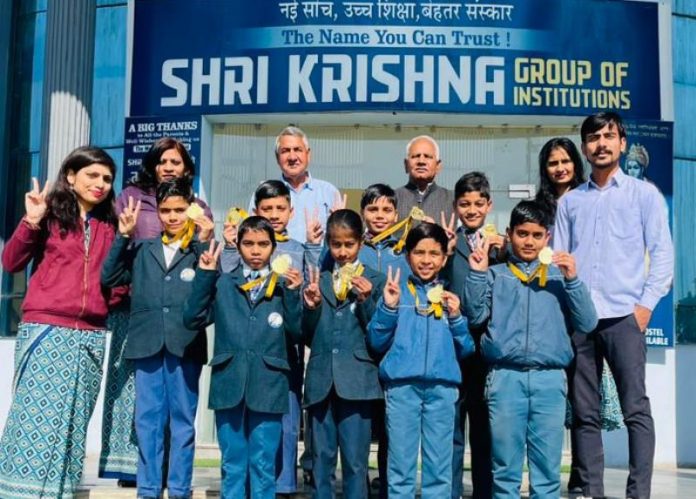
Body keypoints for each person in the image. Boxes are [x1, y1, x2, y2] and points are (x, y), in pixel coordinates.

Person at [554, 112, 674, 499]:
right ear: (585, 147)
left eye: (609, 136)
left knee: (635, 409)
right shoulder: (571, 202)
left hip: (625, 318)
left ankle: (638, 493)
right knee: (584, 413)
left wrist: (645, 308)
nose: (601, 143)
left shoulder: (645, 195)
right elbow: (559, 260)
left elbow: (663, 256)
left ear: (622, 143)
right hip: (581, 321)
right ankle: (592, 491)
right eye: (593, 137)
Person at [0, 147, 123, 498]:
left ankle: (61, 493)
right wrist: (31, 222)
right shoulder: (49, 216)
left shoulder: (110, 226)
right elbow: (11, 263)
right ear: (71, 175)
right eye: (92, 175)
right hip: (47, 330)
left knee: (71, 424)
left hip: (91, 336)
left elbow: (116, 284)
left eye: (107, 178)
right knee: (34, 420)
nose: (100, 184)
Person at [465, 200, 598, 498]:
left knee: (547, 471)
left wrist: (573, 280)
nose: (529, 241)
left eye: (537, 235)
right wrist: (476, 273)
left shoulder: (559, 278)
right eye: (522, 233)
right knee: (505, 469)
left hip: (549, 380)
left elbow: (588, 322)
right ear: (510, 234)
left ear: (547, 238)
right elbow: (474, 316)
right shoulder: (496, 275)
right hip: (504, 378)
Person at [99, 137, 212, 486]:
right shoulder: (143, 248)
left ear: (192, 211)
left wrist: (206, 245)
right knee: (147, 419)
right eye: (166, 211)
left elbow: (210, 296)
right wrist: (122, 236)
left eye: (180, 210)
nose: (173, 216)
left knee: (182, 420)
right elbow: (109, 277)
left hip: (184, 343)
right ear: (157, 213)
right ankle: (148, 489)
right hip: (145, 343)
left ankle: (178, 488)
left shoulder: (199, 252)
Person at [184, 217, 303, 498]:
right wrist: (204, 275)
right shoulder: (224, 283)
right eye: (248, 243)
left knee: (263, 464)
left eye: (263, 244)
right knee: (232, 463)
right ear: (236, 246)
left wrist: (294, 294)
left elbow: (297, 332)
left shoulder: (283, 285)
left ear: (274, 248)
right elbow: (193, 318)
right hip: (230, 381)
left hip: (269, 384)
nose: (255, 250)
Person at [221, 180, 320, 497]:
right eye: (267, 209)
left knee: (282, 429)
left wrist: (314, 252)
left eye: (280, 208)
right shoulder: (243, 249)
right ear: (255, 212)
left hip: (280, 357)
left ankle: (284, 486)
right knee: (237, 451)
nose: (275, 214)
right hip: (240, 359)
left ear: (291, 212)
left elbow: (305, 307)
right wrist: (225, 249)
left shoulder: (300, 250)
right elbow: (223, 289)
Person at [367, 222, 475, 499]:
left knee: (438, 467)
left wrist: (457, 318)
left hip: (442, 389)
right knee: (400, 466)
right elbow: (377, 341)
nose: (426, 260)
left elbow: (466, 349)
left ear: (444, 257)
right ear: (407, 256)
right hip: (402, 389)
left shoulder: (452, 294)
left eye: (434, 254)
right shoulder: (396, 291)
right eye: (419, 253)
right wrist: (388, 308)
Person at [301, 209, 385, 499]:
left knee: (355, 462)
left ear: (360, 243)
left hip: (358, 383)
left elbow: (380, 332)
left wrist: (366, 301)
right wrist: (310, 307)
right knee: (321, 461)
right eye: (336, 244)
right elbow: (306, 334)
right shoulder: (318, 279)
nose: (342, 251)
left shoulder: (376, 279)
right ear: (327, 243)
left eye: (349, 244)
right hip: (322, 381)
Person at [445, 171, 506, 499]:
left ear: (488, 204)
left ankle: (484, 492)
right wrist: (444, 254)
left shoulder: (500, 246)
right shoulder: (448, 243)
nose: (471, 209)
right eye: (464, 204)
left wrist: (505, 251)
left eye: (477, 203)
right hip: (454, 346)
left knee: (483, 429)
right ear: (456, 206)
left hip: (486, 348)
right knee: (452, 428)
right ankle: (451, 492)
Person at [356, 183, 410, 498]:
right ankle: (358, 485)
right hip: (357, 349)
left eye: (386, 209)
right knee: (361, 427)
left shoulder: (403, 250)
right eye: (373, 209)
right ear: (363, 212)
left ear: (396, 213)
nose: (379, 215)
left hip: (394, 349)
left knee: (392, 427)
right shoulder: (354, 248)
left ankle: (390, 485)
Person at [395, 135, 454, 222]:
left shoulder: (452, 200)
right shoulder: (393, 199)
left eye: (427, 156)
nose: (421, 161)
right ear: (406, 165)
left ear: (438, 166)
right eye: (415, 156)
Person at [534, 137, 587, 217]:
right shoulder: (538, 207)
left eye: (565, 161)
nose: (560, 169)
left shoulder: (588, 198)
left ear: (575, 164)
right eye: (553, 163)